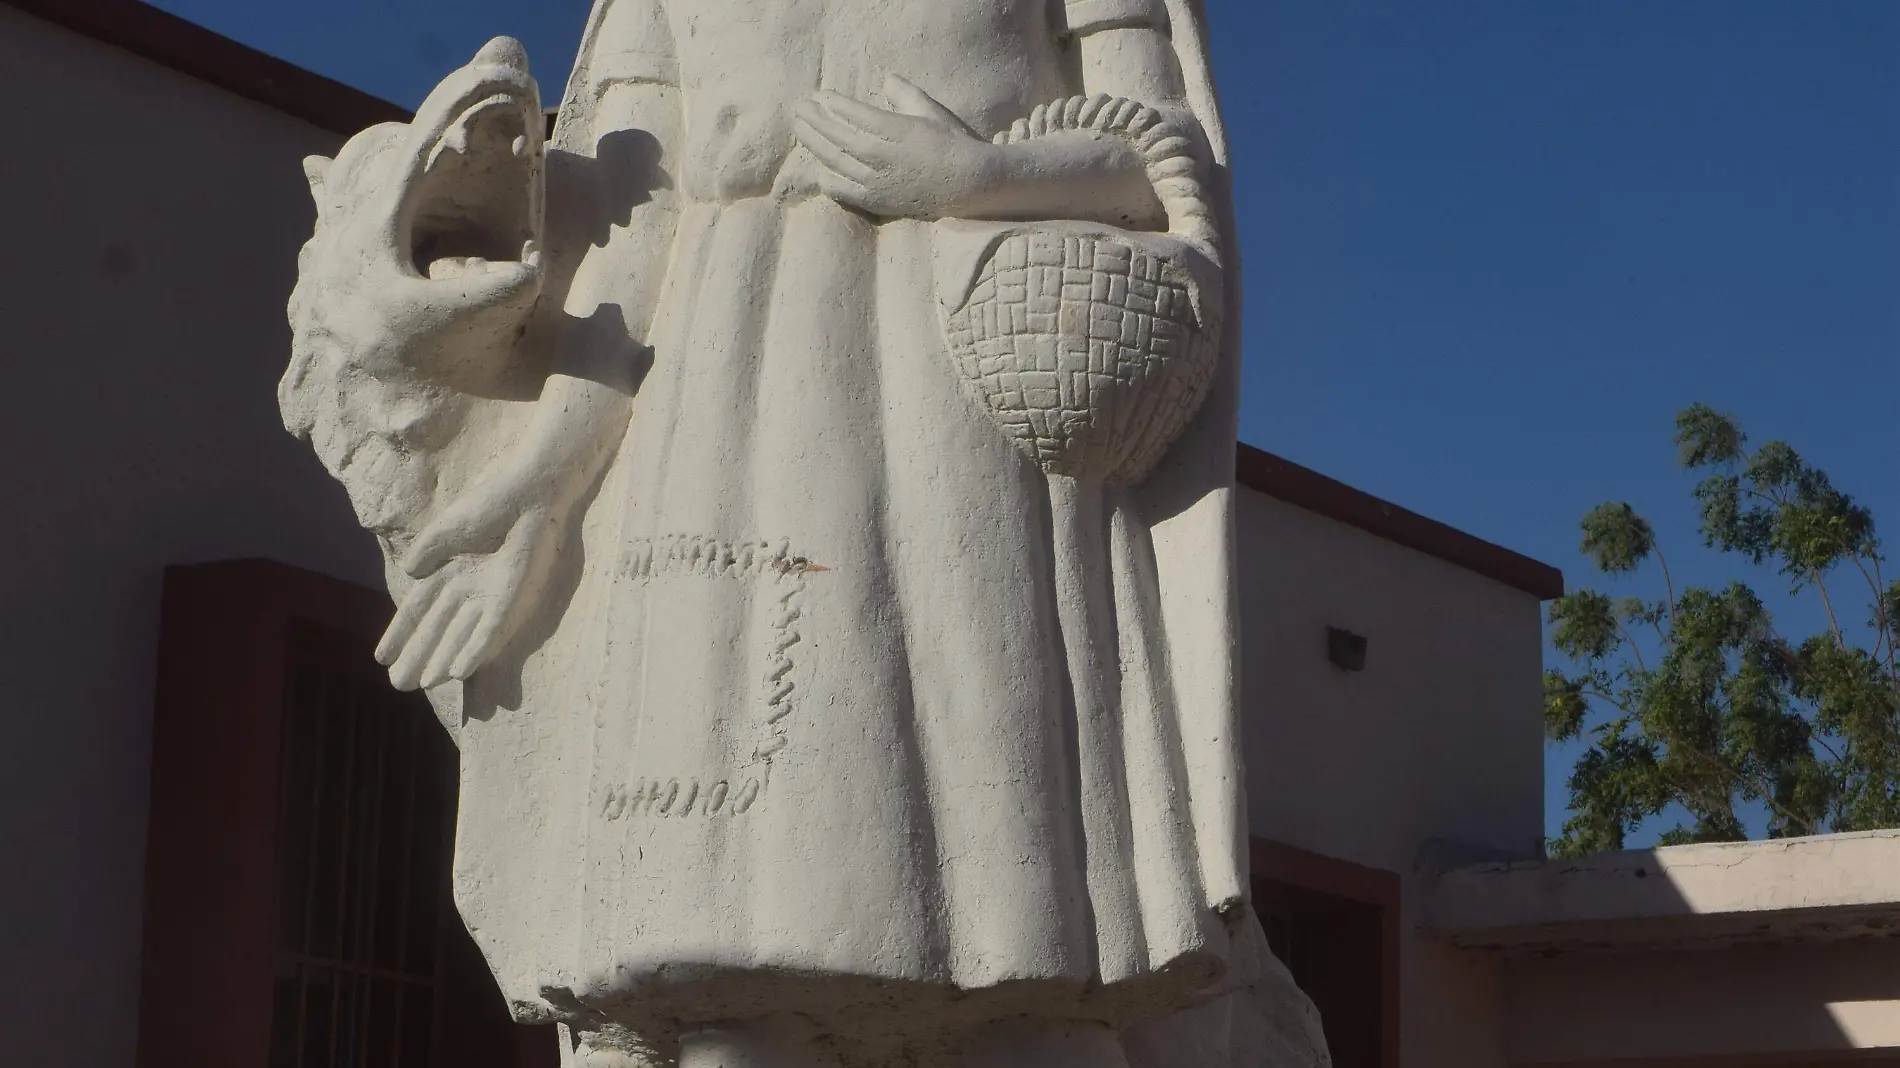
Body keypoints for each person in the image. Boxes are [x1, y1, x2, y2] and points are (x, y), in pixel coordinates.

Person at [282, 2, 1313, 1064]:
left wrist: (970, 181)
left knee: (1020, 968)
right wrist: (544, 495)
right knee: (726, 957)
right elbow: (634, 231)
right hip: (715, 406)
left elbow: (1165, 158)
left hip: (957, 395)